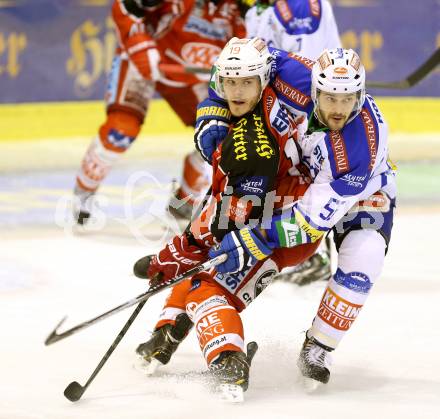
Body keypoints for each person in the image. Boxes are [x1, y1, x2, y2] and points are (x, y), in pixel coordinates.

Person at [133, 37, 322, 401]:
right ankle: (167, 332)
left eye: (246, 82)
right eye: (230, 82)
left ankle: (228, 359)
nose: (236, 91)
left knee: (208, 287)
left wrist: (173, 254)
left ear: (262, 82)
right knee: (200, 264)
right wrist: (209, 111)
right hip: (263, 207)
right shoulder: (253, 104)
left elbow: (227, 219)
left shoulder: (252, 146)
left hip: (277, 229)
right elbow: (225, 205)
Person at [205, 47, 397, 389]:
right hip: (301, 176)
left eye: (348, 99)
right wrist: (210, 112)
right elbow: (239, 57)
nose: (338, 109)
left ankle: (318, 346)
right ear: (314, 89)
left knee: (363, 262)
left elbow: (307, 222)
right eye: (329, 98)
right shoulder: (294, 72)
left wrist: (256, 236)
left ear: (360, 95)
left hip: (361, 195)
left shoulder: (360, 148)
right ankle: (186, 311)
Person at [72, 0, 246, 224]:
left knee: (224, 137)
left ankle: (184, 203)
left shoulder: (247, 9)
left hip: (196, 77)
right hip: (143, 61)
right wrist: (139, 45)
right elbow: (126, 7)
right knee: (120, 130)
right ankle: (83, 193)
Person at [245, 0, 342, 285]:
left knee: (304, 173)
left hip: (309, 110)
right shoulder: (260, 9)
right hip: (288, 105)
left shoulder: (300, 5)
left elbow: (307, 73)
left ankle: (314, 255)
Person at [245, 0, 341, 60]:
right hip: (271, 79)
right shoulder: (257, 8)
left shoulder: (303, 5)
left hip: (299, 83)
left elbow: (305, 61)